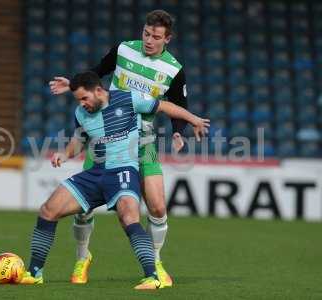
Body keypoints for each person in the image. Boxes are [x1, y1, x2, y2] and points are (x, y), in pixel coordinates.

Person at [21, 71, 209, 289]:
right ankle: (34, 273)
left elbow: (165, 107)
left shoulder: (127, 99)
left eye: (85, 98)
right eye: (78, 100)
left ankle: (152, 276)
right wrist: (64, 154)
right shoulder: (81, 113)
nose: (82, 104)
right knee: (48, 210)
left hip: (123, 172)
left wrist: (193, 119)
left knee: (129, 217)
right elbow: (79, 140)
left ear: (99, 91)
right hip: (95, 173)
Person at [50, 10, 196, 287]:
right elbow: (97, 72)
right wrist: (73, 83)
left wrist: (178, 133)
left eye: (155, 37)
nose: (148, 41)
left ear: (168, 39)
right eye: (146, 34)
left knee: (157, 205)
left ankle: (155, 263)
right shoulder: (124, 50)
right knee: (83, 207)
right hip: (107, 139)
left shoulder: (174, 70)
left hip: (144, 142)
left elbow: (179, 106)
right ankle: (82, 258)